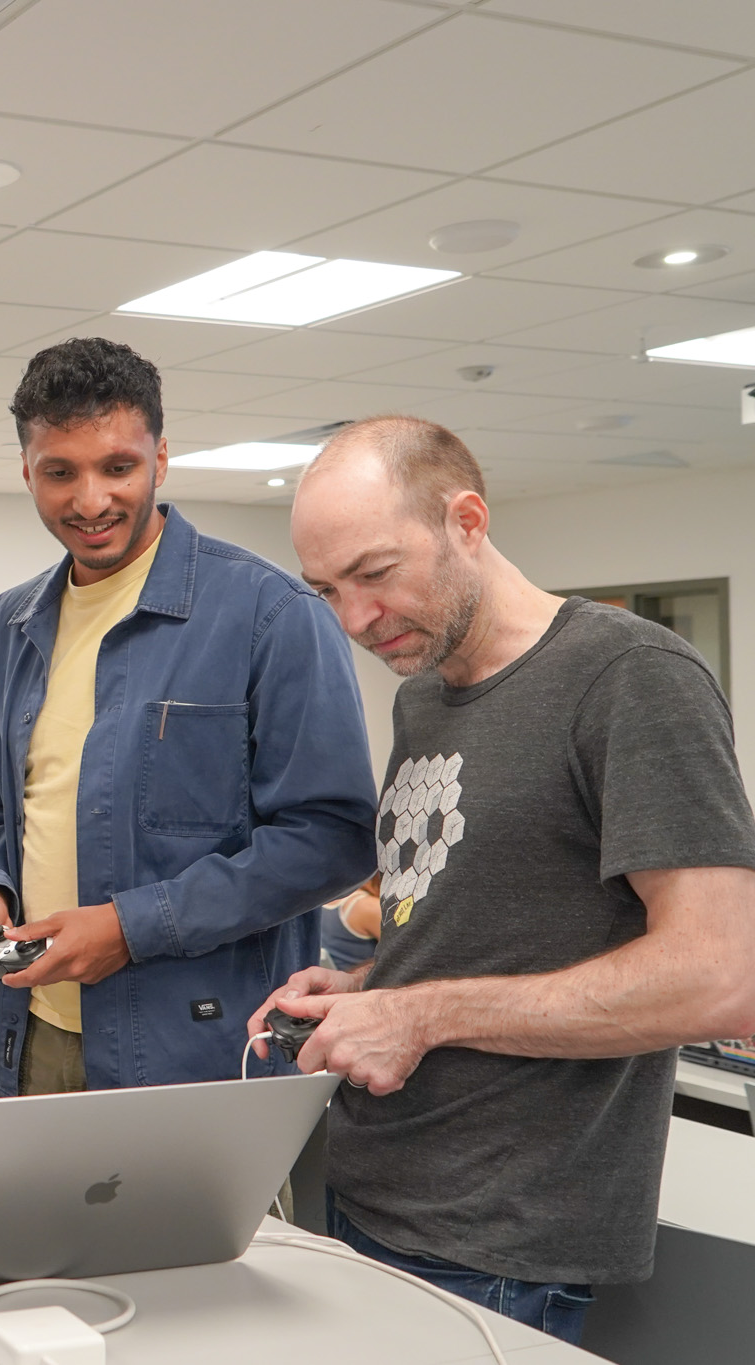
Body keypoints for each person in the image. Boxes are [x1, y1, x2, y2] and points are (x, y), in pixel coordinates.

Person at [254, 415, 755, 1344]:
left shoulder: (631, 676)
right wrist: (368, 990)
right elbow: (478, 929)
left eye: (374, 573)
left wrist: (419, 1013)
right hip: (371, 1194)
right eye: (327, 590)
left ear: (468, 521)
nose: (355, 619)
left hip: (502, 1242)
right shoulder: (424, 695)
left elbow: (722, 975)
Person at [0, 336, 377, 1097]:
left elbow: (330, 839)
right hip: (33, 1034)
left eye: (118, 466)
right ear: (27, 471)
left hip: (205, 1051)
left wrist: (129, 927)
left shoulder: (270, 614)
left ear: (161, 457)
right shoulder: (10, 623)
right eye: (59, 472)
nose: (90, 500)